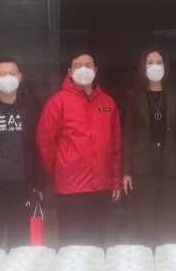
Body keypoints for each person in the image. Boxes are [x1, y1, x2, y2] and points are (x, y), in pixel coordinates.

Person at [37, 53, 123, 246]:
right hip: (70, 188)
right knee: (72, 243)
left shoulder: (108, 103)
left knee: (97, 241)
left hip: (101, 185)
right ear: (70, 72)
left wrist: (115, 180)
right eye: (78, 65)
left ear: (95, 70)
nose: (83, 69)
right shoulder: (57, 102)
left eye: (88, 65)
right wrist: (57, 172)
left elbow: (115, 145)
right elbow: (45, 142)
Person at [122, 49, 176, 247]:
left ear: (165, 66)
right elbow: (128, 134)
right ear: (143, 67)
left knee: (169, 221)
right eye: (150, 62)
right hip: (142, 167)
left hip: (170, 166)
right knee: (145, 222)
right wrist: (126, 171)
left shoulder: (175, 95)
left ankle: (165, 259)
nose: (154, 66)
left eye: (158, 62)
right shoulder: (134, 96)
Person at [0, 56, 42, 249]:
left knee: (20, 241)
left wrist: (38, 183)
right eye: (2, 74)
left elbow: (38, 147)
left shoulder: (30, 108)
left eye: (12, 73)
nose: (7, 78)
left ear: (20, 77)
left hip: (23, 186)